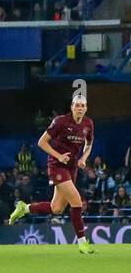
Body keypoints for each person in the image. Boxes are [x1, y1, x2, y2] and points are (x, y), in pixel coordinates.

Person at [9, 93, 96, 254]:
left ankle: (24, 208)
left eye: (83, 105)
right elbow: (41, 142)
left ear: (86, 108)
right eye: (77, 105)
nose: (80, 108)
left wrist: (83, 158)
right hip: (57, 166)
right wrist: (59, 156)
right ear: (71, 107)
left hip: (72, 168)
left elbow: (89, 144)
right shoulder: (61, 122)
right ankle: (83, 243)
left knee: (57, 208)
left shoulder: (88, 123)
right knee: (76, 201)